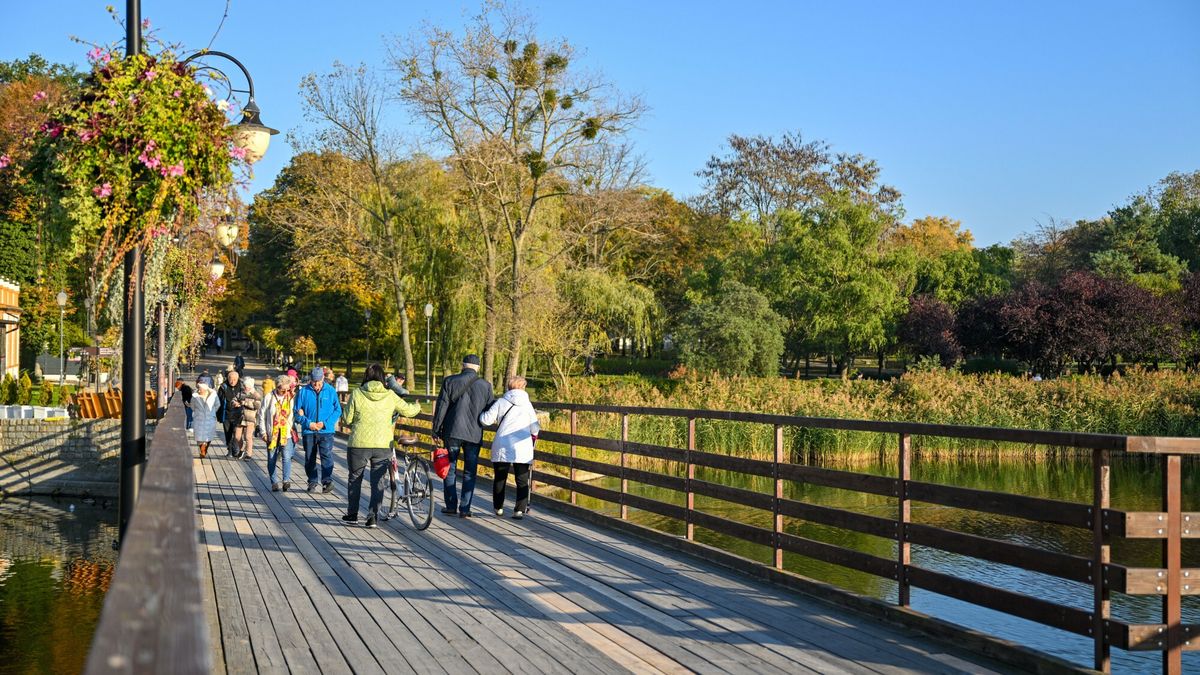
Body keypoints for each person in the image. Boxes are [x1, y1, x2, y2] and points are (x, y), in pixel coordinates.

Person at [340, 363, 421, 527]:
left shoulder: (357, 393)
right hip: (382, 444)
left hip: (358, 444)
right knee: (378, 482)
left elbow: (346, 419)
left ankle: (352, 515)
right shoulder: (390, 395)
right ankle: (372, 517)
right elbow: (408, 411)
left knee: (355, 479)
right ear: (383, 378)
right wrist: (418, 405)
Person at [430, 354, 494, 518]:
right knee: (470, 472)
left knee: (450, 469)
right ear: (477, 368)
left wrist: (436, 429)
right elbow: (490, 411)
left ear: (462, 365)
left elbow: (442, 407)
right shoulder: (486, 386)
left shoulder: (449, 381)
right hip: (474, 433)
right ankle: (465, 508)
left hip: (452, 432)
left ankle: (451, 506)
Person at [479, 375, 539, 519]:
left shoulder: (501, 402)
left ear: (509, 387)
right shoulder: (527, 404)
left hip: (503, 444)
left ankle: (498, 507)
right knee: (522, 479)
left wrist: (480, 414)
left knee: (500, 477)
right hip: (522, 446)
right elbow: (535, 428)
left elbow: (486, 420)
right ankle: (519, 510)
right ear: (522, 387)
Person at [295, 366, 342, 493]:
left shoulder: (330, 391)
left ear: (323, 379)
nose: (316, 385)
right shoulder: (303, 392)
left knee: (326, 455)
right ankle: (312, 481)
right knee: (310, 457)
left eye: (319, 382)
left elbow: (338, 410)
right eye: (314, 382)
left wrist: (325, 424)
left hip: (326, 431)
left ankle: (327, 481)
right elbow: (296, 412)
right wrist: (307, 423)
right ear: (310, 380)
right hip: (309, 430)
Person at [258, 373, 298, 492]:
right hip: (272, 433)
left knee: (286, 457)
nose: (285, 392)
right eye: (282, 390)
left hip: (286, 433)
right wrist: (263, 432)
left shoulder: (290, 398)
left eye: (287, 389)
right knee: (272, 458)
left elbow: (293, 415)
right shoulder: (269, 397)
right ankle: (274, 482)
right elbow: (262, 415)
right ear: (277, 387)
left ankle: (286, 481)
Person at [234, 376, 263, 460]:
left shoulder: (256, 394)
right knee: (237, 436)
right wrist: (234, 403)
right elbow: (234, 399)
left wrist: (245, 403)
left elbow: (257, 406)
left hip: (250, 419)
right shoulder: (241, 392)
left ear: (251, 386)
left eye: (246, 386)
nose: (245, 388)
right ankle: (241, 449)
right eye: (244, 386)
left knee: (248, 437)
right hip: (240, 418)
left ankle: (248, 454)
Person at [192, 376, 219, 458]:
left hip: (209, 418)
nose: (199, 390)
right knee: (199, 436)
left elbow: (217, 405)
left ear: (205, 389)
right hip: (199, 418)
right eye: (198, 388)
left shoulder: (213, 395)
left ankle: (204, 450)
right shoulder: (195, 396)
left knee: (208, 436)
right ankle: (202, 450)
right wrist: (197, 412)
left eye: (200, 388)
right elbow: (192, 406)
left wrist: (212, 412)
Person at [217, 369, 243, 455]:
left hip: (238, 414)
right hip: (226, 414)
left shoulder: (241, 386)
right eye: (230, 379)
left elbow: (246, 397)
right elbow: (218, 400)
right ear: (227, 379)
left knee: (236, 433)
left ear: (238, 379)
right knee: (228, 432)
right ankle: (230, 449)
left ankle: (235, 449)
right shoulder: (223, 386)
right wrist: (218, 414)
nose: (232, 381)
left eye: (234, 379)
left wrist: (240, 403)